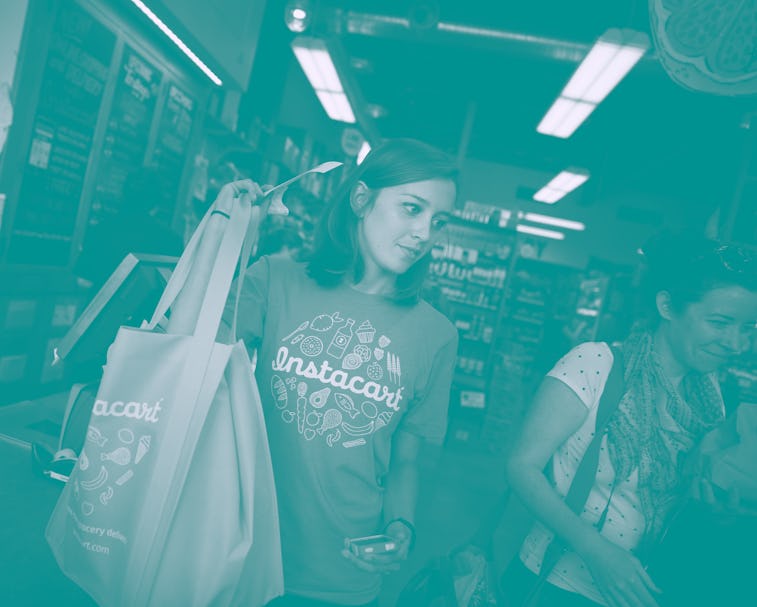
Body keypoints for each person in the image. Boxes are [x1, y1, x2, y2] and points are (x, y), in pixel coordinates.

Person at [214, 138, 460, 607]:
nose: (424, 232)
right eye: (411, 208)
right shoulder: (278, 279)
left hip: (338, 574)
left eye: (438, 221)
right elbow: (189, 352)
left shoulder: (436, 335)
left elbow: (407, 459)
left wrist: (400, 527)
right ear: (362, 200)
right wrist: (225, 240)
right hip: (237, 548)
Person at [502, 234, 757, 607]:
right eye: (720, 323)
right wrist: (595, 550)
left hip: (645, 591)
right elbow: (521, 468)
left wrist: (716, 512)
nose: (736, 344)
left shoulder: (709, 399)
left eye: (749, 329)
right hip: (558, 585)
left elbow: (673, 500)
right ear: (668, 306)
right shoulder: (596, 365)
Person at [74, 166, 184, 292]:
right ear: (157, 202)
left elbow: (83, 281)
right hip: (146, 311)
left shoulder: (101, 229)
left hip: (102, 310)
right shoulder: (171, 240)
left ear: (124, 194)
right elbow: (173, 291)